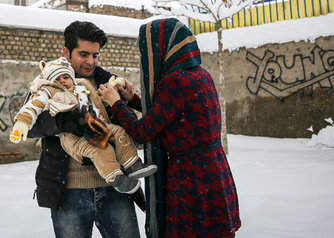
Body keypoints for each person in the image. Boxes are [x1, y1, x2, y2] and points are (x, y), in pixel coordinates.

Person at [97, 18, 241, 238]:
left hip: (190, 177)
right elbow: (167, 114)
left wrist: (116, 103)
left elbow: (143, 131)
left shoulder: (175, 81)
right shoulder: (200, 74)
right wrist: (132, 99)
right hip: (212, 170)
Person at [23, 21, 145, 238]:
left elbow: (132, 132)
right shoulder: (47, 81)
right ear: (66, 52)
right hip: (68, 190)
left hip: (115, 187)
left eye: (95, 55)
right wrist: (66, 121)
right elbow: (28, 125)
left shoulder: (108, 83)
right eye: (83, 54)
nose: (91, 61)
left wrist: (122, 102)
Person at [10, 57, 157, 194]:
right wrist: (22, 121)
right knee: (100, 149)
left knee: (118, 132)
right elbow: (33, 106)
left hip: (96, 125)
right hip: (73, 137)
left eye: (66, 77)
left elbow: (98, 101)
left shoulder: (81, 88)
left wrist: (113, 88)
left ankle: (133, 165)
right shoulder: (48, 91)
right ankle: (116, 178)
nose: (62, 81)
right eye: (57, 79)